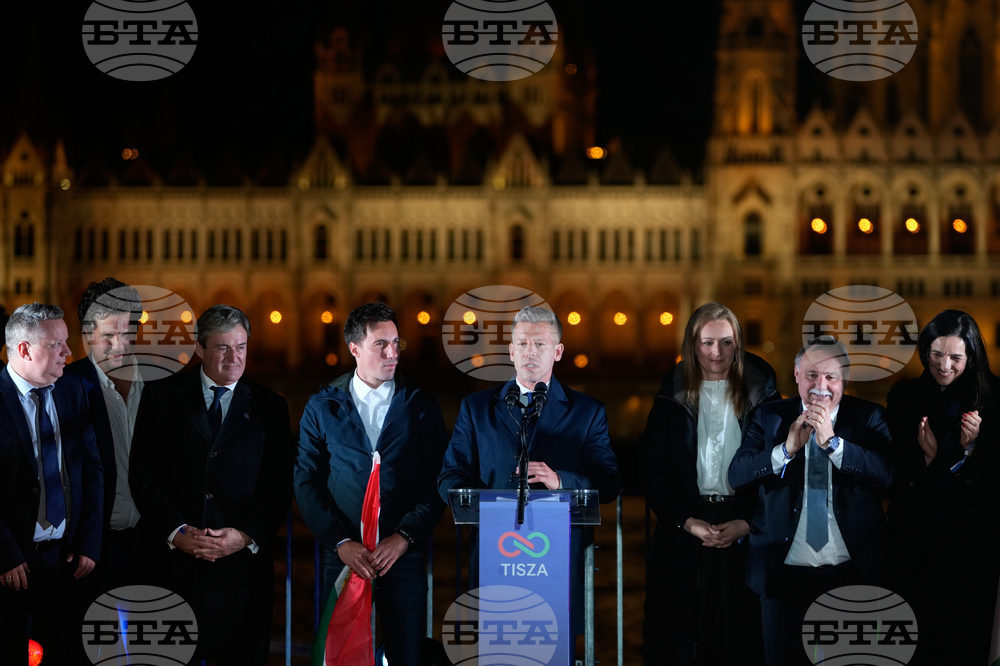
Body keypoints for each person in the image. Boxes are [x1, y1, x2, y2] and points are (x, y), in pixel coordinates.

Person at [438, 305, 620, 636]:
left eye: (539, 344)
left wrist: (560, 480)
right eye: (522, 344)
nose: (529, 352)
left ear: (558, 351)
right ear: (510, 351)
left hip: (558, 562)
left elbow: (608, 482)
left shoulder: (589, 412)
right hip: (496, 556)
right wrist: (475, 503)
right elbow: (449, 475)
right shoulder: (476, 409)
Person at [130, 305, 292, 665]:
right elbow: (142, 474)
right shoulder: (160, 397)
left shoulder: (271, 407)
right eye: (223, 348)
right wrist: (176, 531)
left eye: (241, 347)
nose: (234, 358)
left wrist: (245, 535)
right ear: (201, 349)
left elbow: (278, 486)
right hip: (172, 568)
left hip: (240, 579)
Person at [294, 302, 448, 665]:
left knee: (405, 656)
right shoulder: (322, 406)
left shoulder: (420, 405)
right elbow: (305, 480)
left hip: (402, 558)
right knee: (341, 656)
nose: (393, 353)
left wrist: (405, 537)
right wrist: (340, 541)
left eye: (397, 343)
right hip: (344, 557)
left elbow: (438, 480)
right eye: (381, 344)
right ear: (354, 348)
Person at [728, 336, 894, 666]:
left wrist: (833, 444)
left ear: (844, 379)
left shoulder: (869, 416)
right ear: (797, 375)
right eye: (812, 375)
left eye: (831, 377)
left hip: (851, 575)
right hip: (784, 577)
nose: (821, 386)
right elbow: (737, 476)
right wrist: (786, 450)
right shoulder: (768, 417)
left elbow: (887, 475)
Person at [641, 303, 778, 665]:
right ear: (692, 344)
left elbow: (778, 469)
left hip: (744, 528)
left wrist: (748, 522)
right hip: (685, 527)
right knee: (679, 639)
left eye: (726, 343)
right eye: (707, 343)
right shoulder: (671, 391)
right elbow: (653, 469)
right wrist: (685, 521)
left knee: (743, 641)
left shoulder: (761, 391)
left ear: (738, 344)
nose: (716, 353)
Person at [885, 310, 1000, 665]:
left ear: (972, 356)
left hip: (972, 548)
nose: (944, 365)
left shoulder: (994, 397)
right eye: (936, 354)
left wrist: (966, 452)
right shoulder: (904, 396)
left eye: (955, 357)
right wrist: (928, 460)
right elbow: (894, 471)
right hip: (917, 541)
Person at [0, 303, 103, 666]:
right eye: (57, 344)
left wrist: (90, 540)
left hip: (67, 563)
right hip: (11, 569)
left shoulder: (73, 390)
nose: (69, 353)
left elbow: (92, 470)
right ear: (25, 349)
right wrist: (4, 553)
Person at [65, 278, 146, 591]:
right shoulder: (65, 387)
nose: (120, 346)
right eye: (109, 336)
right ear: (87, 334)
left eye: (127, 334)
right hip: (87, 551)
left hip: (147, 546)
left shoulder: (159, 388)